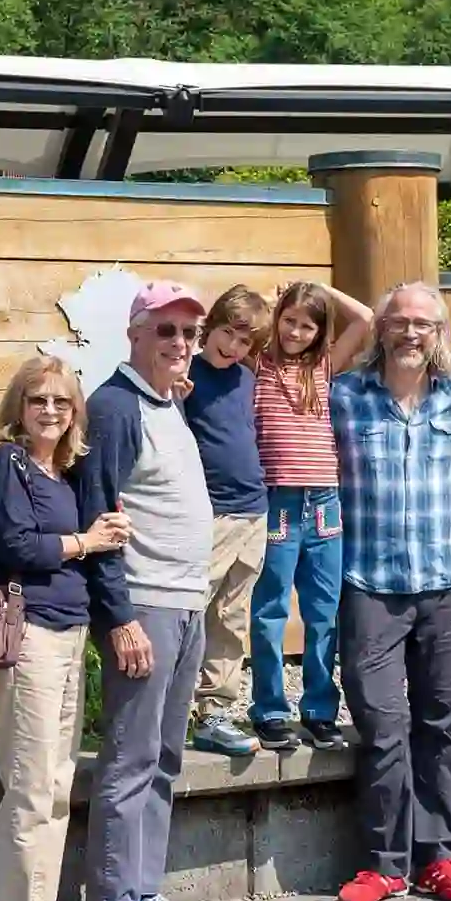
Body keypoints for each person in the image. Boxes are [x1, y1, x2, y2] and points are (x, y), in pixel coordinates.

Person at [327, 281, 451, 901]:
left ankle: (437, 858)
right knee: (382, 725)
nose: (412, 333)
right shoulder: (345, 397)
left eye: (425, 324)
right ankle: (385, 864)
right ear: (383, 330)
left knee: (440, 725)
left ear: (440, 334)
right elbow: (282, 395)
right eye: (400, 322)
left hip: (445, 585)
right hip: (369, 584)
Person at [74, 281, 217, 901]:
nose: (181, 344)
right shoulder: (114, 407)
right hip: (146, 607)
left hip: (185, 603)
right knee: (130, 762)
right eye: (168, 331)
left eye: (190, 333)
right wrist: (120, 615)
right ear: (134, 333)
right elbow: (97, 514)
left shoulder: (165, 404)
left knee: (163, 759)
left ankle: (142, 893)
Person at [0, 356, 133, 901]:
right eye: (38, 399)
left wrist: (108, 535)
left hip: (68, 638)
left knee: (56, 790)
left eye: (62, 403)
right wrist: (86, 542)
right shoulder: (7, 464)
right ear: (18, 406)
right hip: (29, 638)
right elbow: (13, 545)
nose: (49, 411)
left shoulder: (63, 474)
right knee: (31, 789)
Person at [241, 282, 372, 753]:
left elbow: (365, 319)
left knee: (324, 610)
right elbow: (231, 319)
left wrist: (324, 291)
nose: (296, 331)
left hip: (324, 503)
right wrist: (269, 305)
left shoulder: (324, 366)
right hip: (279, 502)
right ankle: (270, 709)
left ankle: (319, 709)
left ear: (319, 332)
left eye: (307, 324)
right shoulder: (259, 363)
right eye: (289, 320)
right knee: (270, 607)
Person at [184, 285, 273, 759]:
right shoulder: (186, 375)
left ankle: (215, 709)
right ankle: (171, 706)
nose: (233, 347)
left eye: (244, 342)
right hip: (211, 512)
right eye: (228, 333)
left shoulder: (246, 378)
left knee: (232, 617)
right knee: (190, 608)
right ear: (209, 327)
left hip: (253, 511)